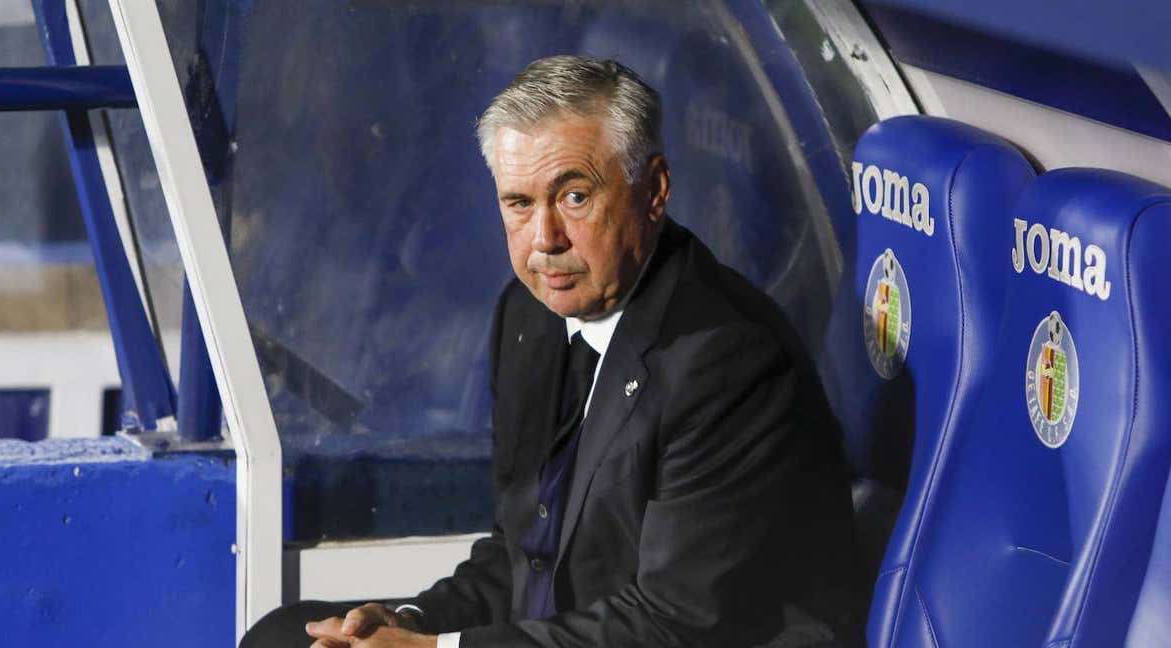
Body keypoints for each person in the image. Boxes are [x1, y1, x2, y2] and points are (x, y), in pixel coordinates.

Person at [243, 55, 858, 648]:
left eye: (574, 197)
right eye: (519, 204)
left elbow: (674, 624)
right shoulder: (528, 317)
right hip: (583, 630)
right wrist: (409, 619)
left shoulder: (728, 358)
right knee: (283, 638)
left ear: (654, 190)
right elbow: (521, 552)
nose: (545, 240)